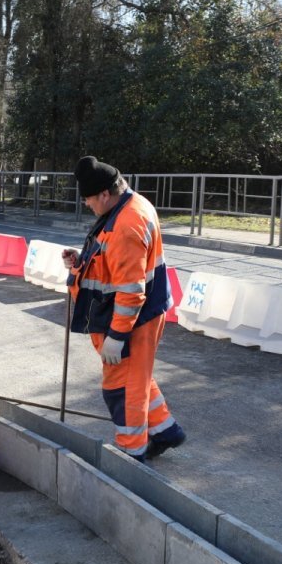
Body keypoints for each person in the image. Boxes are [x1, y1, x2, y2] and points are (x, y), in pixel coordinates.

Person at [62, 155, 186, 462]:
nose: (88, 206)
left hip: (132, 321)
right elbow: (113, 266)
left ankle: (132, 453)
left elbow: (131, 291)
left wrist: (117, 336)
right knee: (137, 377)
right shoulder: (128, 206)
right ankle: (165, 430)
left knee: (122, 388)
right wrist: (81, 263)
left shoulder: (127, 225)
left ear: (105, 193)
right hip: (135, 315)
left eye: (89, 200)